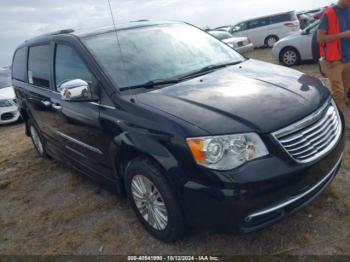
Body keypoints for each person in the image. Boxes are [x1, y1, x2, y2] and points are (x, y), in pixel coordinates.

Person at [317, 0, 350, 114]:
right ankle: (341, 121)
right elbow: (320, 38)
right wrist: (343, 35)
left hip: (348, 59)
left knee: (343, 93)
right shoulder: (329, 13)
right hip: (334, 60)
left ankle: (337, 114)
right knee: (339, 94)